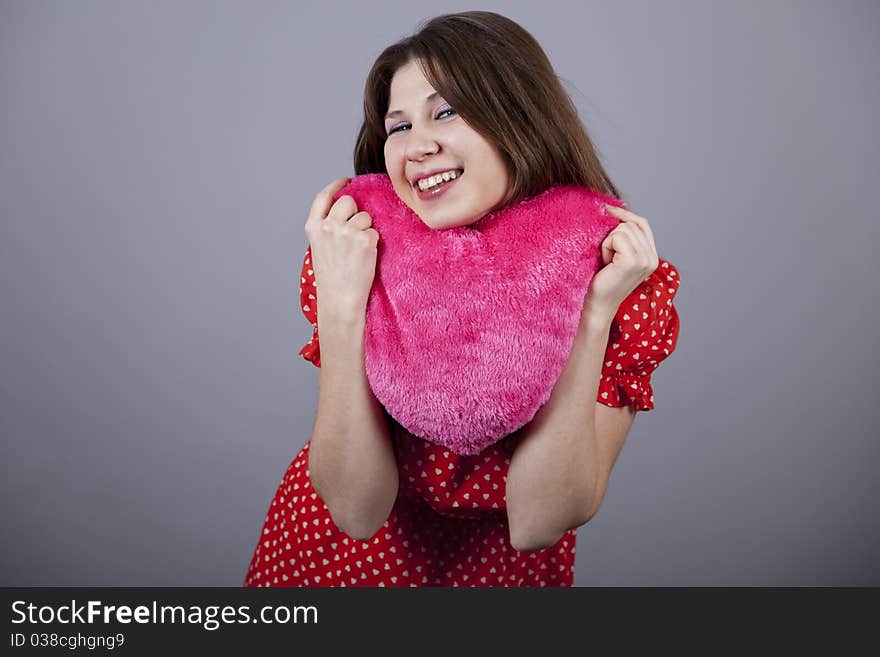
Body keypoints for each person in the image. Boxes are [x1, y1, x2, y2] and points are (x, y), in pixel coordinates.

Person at [244, 10, 680, 587]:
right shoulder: (360, 251)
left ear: (519, 118)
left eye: (445, 112)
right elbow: (354, 509)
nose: (417, 146)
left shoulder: (620, 276)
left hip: (500, 571)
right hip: (333, 566)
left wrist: (593, 314)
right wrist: (343, 303)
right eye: (398, 126)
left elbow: (539, 521)